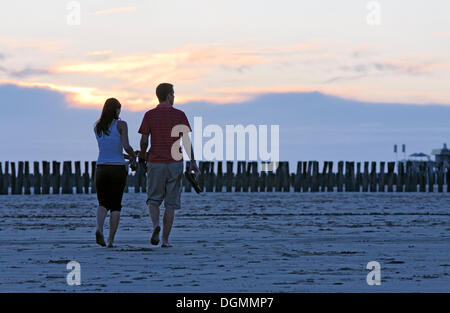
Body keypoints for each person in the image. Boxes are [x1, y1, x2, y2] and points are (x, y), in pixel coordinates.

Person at [138, 83, 199, 248]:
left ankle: (155, 224)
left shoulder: (149, 115)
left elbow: (144, 140)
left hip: (155, 162)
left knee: (153, 199)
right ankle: (165, 240)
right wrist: (192, 161)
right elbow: (186, 141)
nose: (174, 96)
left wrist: (143, 156)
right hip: (175, 163)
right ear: (169, 95)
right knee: (171, 204)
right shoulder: (180, 115)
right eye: (173, 93)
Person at [94, 98, 137, 248]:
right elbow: (125, 146)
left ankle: (99, 229)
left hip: (101, 168)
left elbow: (110, 149)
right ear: (116, 110)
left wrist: (127, 155)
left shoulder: (97, 127)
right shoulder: (121, 124)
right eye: (119, 109)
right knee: (116, 205)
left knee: (102, 203)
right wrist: (132, 155)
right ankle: (110, 240)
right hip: (117, 169)